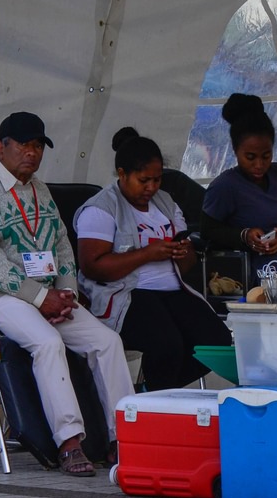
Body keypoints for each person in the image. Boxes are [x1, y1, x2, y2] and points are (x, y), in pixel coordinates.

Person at [0, 113, 134, 476]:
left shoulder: (40, 190)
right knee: (47, 342)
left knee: (107, 341)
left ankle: (124, 439)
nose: (32, 152)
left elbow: (63, 246)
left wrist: (66, 292)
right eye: (23, 144)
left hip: (49, 295)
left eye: (38, 146)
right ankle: (69, 442)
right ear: (0, 147)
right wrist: (40, 297)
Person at [74, 127, 230, 391]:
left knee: (217, 343)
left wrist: (183, 252)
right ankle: (156, 400)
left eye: (157, 180)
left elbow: (187, 263)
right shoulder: (101, 208)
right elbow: (92, 267)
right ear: (122, 174)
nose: (151, 187)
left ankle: (150, 393)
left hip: (173, 289)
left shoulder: (165, 201)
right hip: (127, 292)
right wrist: (147, 254)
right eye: (144, 180)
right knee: (167, 344)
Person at [201, 93, 277, 272]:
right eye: (250, 157)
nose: (259, 165)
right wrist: (244, 235)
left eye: (266, 156)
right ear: (235, 150)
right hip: (261, 272)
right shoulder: (225, 186)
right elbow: (208, 230)